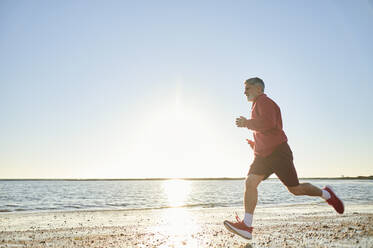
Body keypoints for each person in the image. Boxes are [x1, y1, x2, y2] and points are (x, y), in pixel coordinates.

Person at [223, 77, 344, 240]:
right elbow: (266, 130)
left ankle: (327, 194)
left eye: (248, 88)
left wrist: (247, 123)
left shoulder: (264, 101)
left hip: (279, 152)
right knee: (250, 182)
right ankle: (247, 225)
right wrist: (255, 144)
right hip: (263, 156)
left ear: (259, 89)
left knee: (295, 189)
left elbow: (269, 123)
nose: (244, 92)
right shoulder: (256, 105)